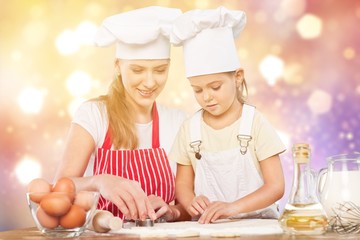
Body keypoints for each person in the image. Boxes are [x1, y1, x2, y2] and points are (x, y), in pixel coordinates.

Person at [54, 6, 190, 222]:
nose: (150, 82)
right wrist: (99, 181)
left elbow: (189, 205)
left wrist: (172, 211)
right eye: (137, 70)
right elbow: (59, 190)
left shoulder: (178, 121)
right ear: (118, 66)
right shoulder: (94, 115)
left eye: (160, 70)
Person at [169, 6, 286, 224]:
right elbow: (182, 185)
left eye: (215, 87)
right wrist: (190, 201)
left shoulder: (254, 123)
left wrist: (232, 208)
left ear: (238, 77)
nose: (207, 97)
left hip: (260, 229)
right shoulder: (190, 128)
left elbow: (276, 186)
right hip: (209, 229)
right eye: (198, 90)